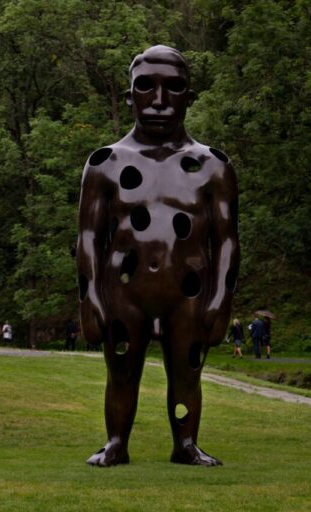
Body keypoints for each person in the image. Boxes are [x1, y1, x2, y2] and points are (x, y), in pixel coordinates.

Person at [77, 46, 239, 467]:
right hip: (124, 291)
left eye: (174, 88)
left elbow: (226, 240)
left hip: (188, 293)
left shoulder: (213, 166)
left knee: (187, 373)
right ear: (130, 96)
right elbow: (89, 236)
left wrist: (221, 299)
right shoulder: (105, 163)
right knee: (121, 372)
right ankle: (116, 441)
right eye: (147, 87)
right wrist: (90, 297)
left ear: (189, 96)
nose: (160, 100)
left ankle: (186, 444)